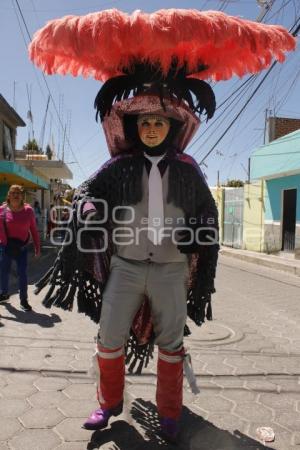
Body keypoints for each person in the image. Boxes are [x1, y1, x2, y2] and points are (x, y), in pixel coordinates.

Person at [30, 8, 295, 443]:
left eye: (160, 122)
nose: (152, 127)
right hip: (127, 267)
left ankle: (170, 413)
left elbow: (207, 212)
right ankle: (108, 404)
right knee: (108, 336)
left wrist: (204, 230)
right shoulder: (117, 167)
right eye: (145, 122)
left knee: (172, 344)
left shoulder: (189, 170)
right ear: (135, 126)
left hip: (172, 270)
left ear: (172, 127)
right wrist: (90, 209)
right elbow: (85, 193)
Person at [0, 185, 40, 311]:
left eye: (18, 193)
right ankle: (4, 293)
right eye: (13, 192)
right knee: (3, 272)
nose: (16, 195)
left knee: (22, 274)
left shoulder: (28, 211)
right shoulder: (2, 210)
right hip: (6, 247)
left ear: (22, 195)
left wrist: (37, 247)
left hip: (22, 248)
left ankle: (24, 300)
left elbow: (33, 229)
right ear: (9, 195)